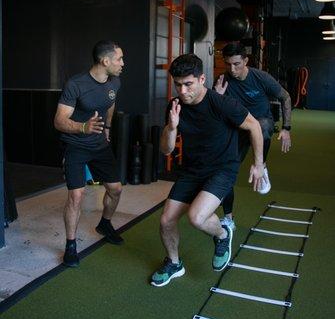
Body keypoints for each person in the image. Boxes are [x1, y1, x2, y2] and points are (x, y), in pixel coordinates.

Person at [151, 54, 264, 287]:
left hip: (222, 169)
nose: (182, 91)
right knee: (166, 221)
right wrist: (171, 127)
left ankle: (222, 234)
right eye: (178, 84)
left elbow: (254, 126)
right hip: (192, 170)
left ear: (202, 79)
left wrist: (259, 164)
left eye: (188, 84)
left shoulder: (221, 104)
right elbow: (166, 150)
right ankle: (174, 264)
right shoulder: (175, 107)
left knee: (197, 217)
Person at [54, 40, 125, 267]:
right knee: (76, 196)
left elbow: (110, 103)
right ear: (105, 61)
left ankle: (105, 223)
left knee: (115, 189)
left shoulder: (115, 82)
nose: (123, 63)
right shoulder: (76, 84)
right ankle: (71, 245)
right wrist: (83, 127)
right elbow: (59, 121)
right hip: (76, 146)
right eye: (119, 59)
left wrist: (107, 128)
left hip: (99, 146)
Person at [214, 43, 292, 232]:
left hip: (260, 123)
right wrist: (218, 97)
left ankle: (261, 165)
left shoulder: (260, 77)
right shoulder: (222, 80)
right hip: (237, 127)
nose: (232, 69)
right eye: (228, 64)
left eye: (237, 64)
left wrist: (286, 128)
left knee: (263, 125)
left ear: (246, 61)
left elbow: (286, 97)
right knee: (225, 170)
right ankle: (228, 218)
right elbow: (215, 113)